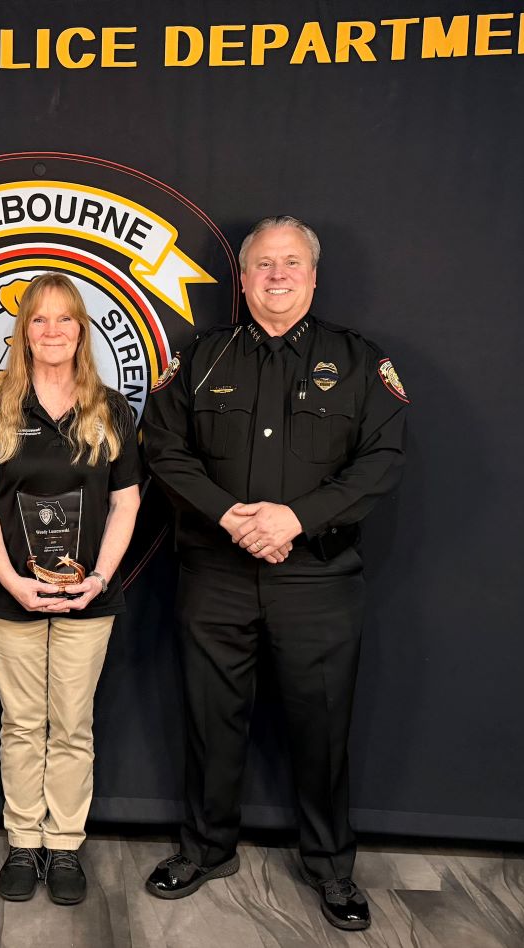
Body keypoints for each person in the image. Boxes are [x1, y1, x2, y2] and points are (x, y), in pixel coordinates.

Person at [141, 216, 408, 931]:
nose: (277, 275)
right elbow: (164, 450)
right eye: (263, 264)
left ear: (314, 277)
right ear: (243, 277)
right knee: (209, 720)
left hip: (317, 579)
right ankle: (205, 848)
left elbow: (381, 460)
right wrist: (230, 516)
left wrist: (298, 518)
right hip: (216, 574)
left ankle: (330, 867)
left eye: (292, 263)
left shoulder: (358, 363)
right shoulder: (199, 360)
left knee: (321, 729)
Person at [0, 273, 142, 906]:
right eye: (40, 320)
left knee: (71, 723)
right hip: (11, 591)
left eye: (66, 319)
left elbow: (126, 502)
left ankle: (63, 845)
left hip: (88, 595)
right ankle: (22, 842)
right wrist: (10, 580)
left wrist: (99, 579)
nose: (53, 330)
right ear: (24, 331)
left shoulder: (109, 408)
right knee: (22, 722)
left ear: (82, 330)